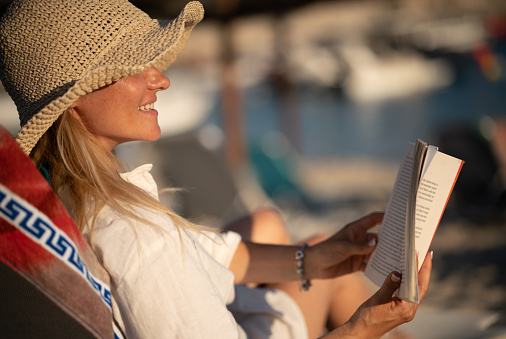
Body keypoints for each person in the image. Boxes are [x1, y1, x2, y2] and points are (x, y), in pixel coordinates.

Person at [0, 0, 432, 338]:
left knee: (300, 239)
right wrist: (366, 327)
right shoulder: (138, 236)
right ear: (74, 100)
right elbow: (164, 254)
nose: (161, 79)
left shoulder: (65, 197)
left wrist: (312, 260)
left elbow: (206, 250)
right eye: (134, 67)